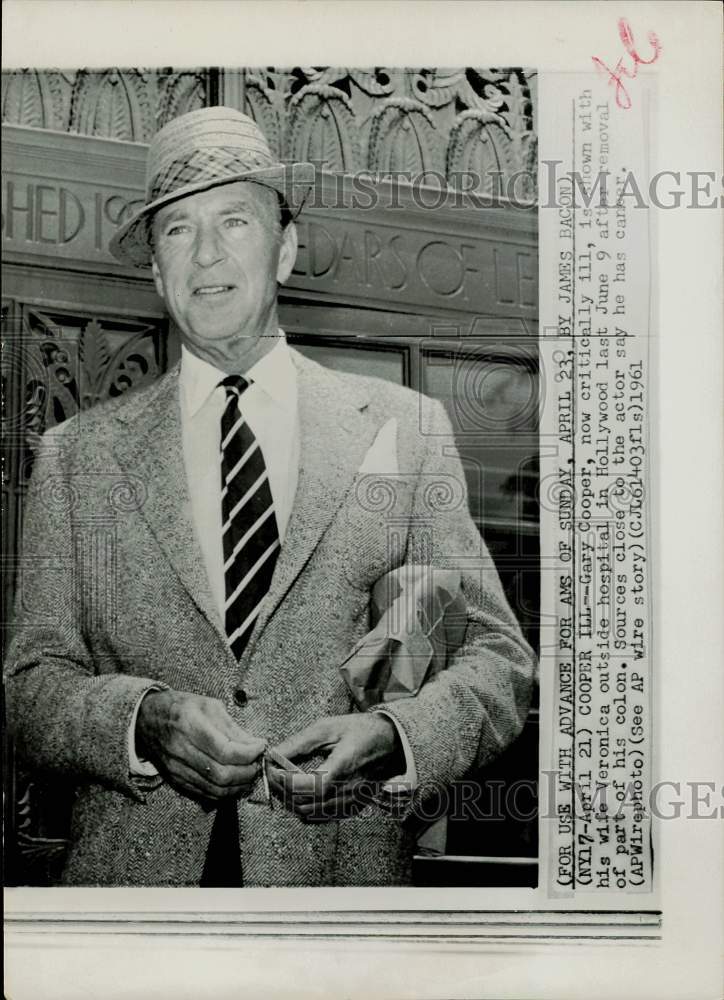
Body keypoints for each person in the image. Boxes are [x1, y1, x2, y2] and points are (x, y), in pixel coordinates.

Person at [4, 106, 536, 887]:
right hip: (136, 901)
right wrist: (140, 718)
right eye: (178, 230)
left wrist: (393, 734)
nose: (206, 253)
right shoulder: (77, 455)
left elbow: (498, 659)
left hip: (337, 892)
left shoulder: (403, 431)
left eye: (235, 221)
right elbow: (30, 686)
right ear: (155, 271)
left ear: (285, 249)